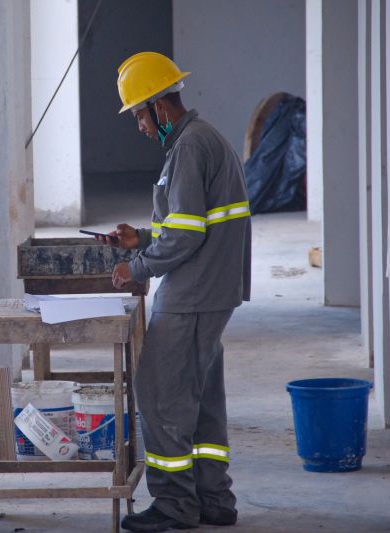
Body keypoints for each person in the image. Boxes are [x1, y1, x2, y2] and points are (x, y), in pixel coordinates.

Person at [97, 51, 251, 531]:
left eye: (140, 115)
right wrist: (140, 238)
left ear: (160, 107)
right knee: (200, 396)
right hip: (211, 288)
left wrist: (136, 267)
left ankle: (175, 505)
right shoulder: (202, 142)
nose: (140, 127)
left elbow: (185, 236)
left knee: (161, 394)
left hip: (194, 293)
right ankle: (213, 499)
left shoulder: (189, 147)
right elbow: (188, 224)